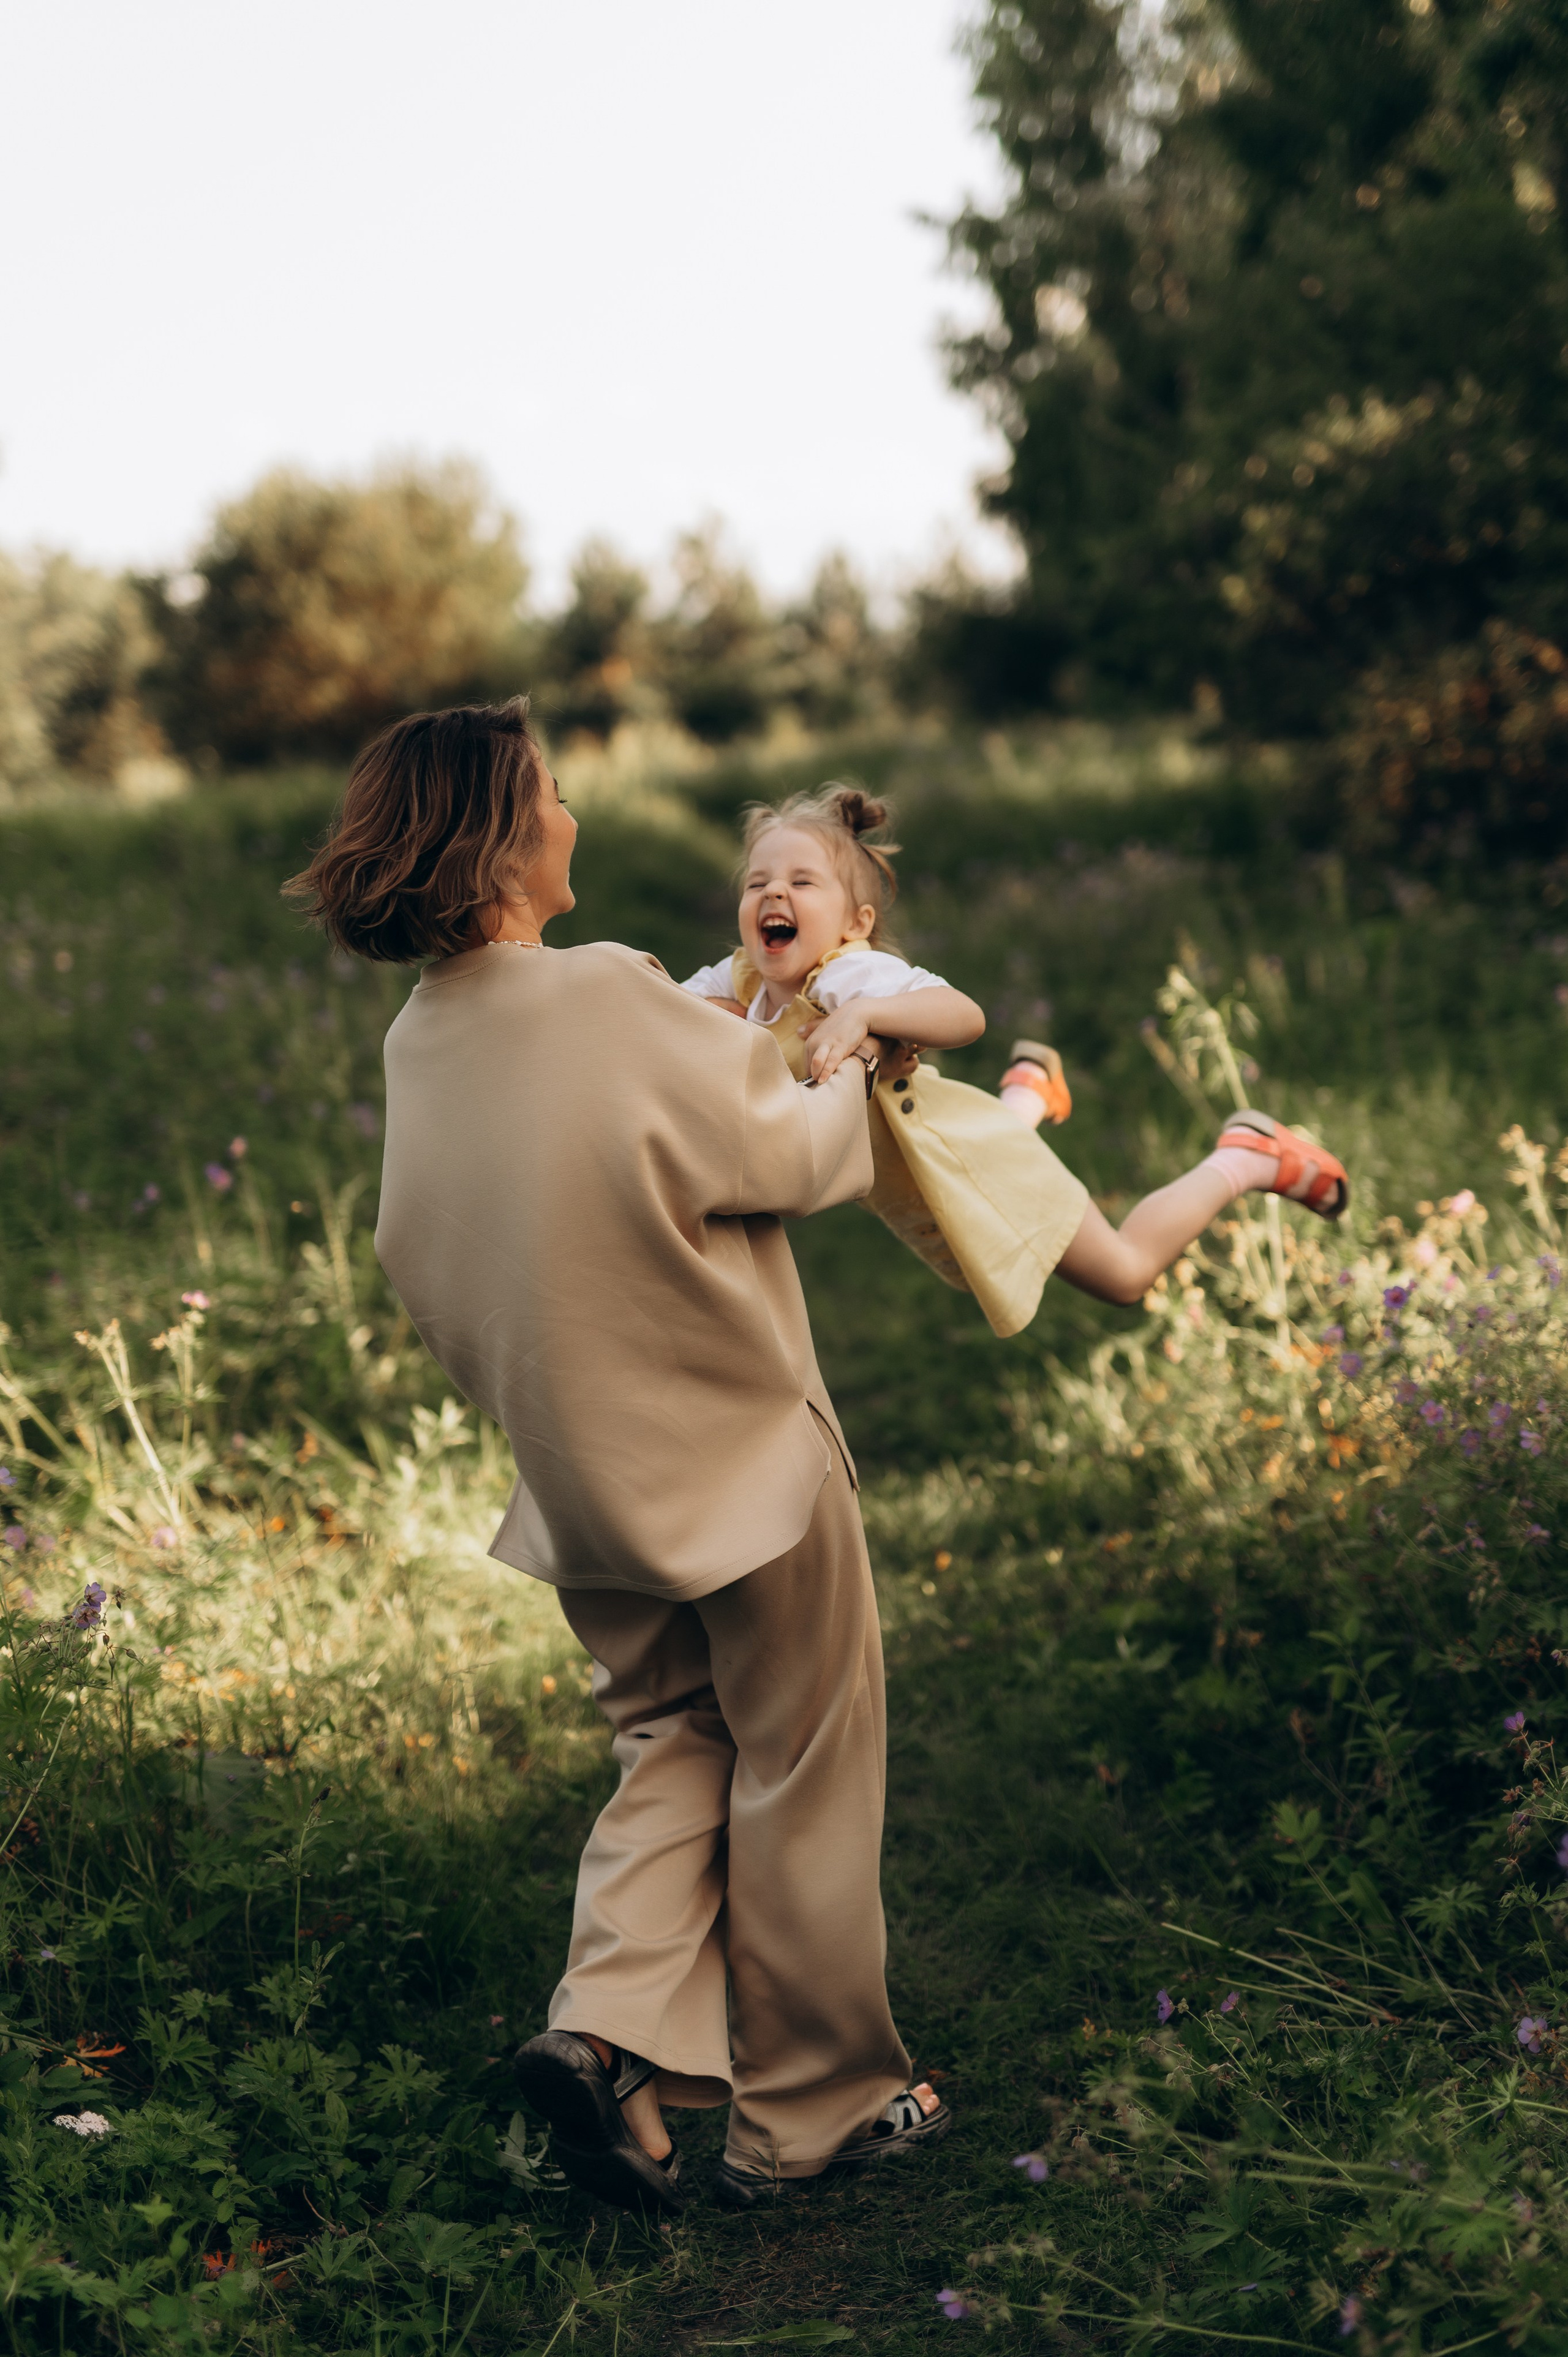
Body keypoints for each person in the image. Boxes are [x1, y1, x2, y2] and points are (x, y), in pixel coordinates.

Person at [283, 701, 948, 2218]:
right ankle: (813, 2110)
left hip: (580, 1486)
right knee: (798, 1757)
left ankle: (604, 2042)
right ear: (505, 836)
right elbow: (784, 1149)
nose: (572, 813)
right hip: (742, 1462)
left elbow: (418, 1248)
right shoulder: (597, 991)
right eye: (555, 793)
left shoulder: (422, 1040)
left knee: (675, 1744)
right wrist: (860, 1045)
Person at [679, 783, 1348, 1335]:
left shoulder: (847, 977)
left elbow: (963, 1015)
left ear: (854, 922)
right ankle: (1026, 1094)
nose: (773, 894)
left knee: (1123, 1272)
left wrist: (863, 1016)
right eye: (757, 882)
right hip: (932, 1165)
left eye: (802, 881)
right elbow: (654, 1010)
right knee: (975, 1221)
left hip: (976, 1164)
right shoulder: (740, 979)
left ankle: (1245, 1154)